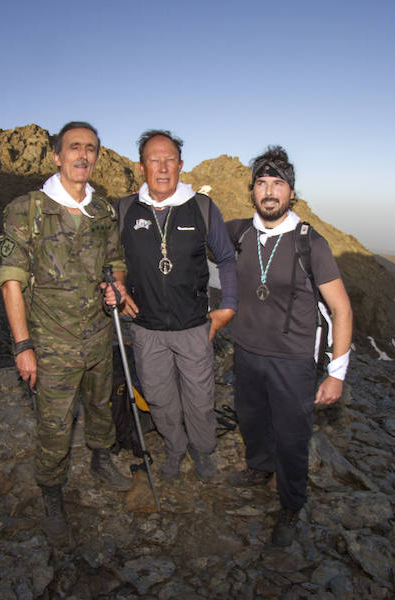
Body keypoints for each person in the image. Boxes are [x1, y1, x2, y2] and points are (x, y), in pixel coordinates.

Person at [0, 121, 133, 541]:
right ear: (57, 156)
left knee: (100, 405)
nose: (83, 155)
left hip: (98, 334)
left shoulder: (103, 211)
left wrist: (116, 286)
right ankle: (52, 492)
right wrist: (23, 345)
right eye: (74, 147)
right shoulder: (28, 209)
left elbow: (115, 261)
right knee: (55, 425)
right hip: (51, 343)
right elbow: (11, 280)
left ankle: (101, 457)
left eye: (90, 148)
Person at [225, 145, 353, 547]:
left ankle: (291, 504)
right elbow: (191, 236)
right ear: (252, 191)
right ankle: (259, 467)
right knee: (251, 420)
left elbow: (341, 308)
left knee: (292, 437)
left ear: (292, 193)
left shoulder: (310, 243)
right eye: (261, 183)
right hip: (246, 351)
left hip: (293, 361)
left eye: (277, 184)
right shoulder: (238, 233)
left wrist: (336, 374)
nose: (269, 191)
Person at [106, 130, 238, 482]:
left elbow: (226, 258)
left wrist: (228, 305)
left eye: (170, 160)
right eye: (154, 160)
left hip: (194, 326)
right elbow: (110, 259)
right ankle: (175, 447)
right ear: (141, 167)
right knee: (159, 397)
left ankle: (203, 449)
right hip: (146, 328)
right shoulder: (124, 210)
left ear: (180, 165)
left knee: (200, 397)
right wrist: (116, 285)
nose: (162, 168)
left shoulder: (202, 208)